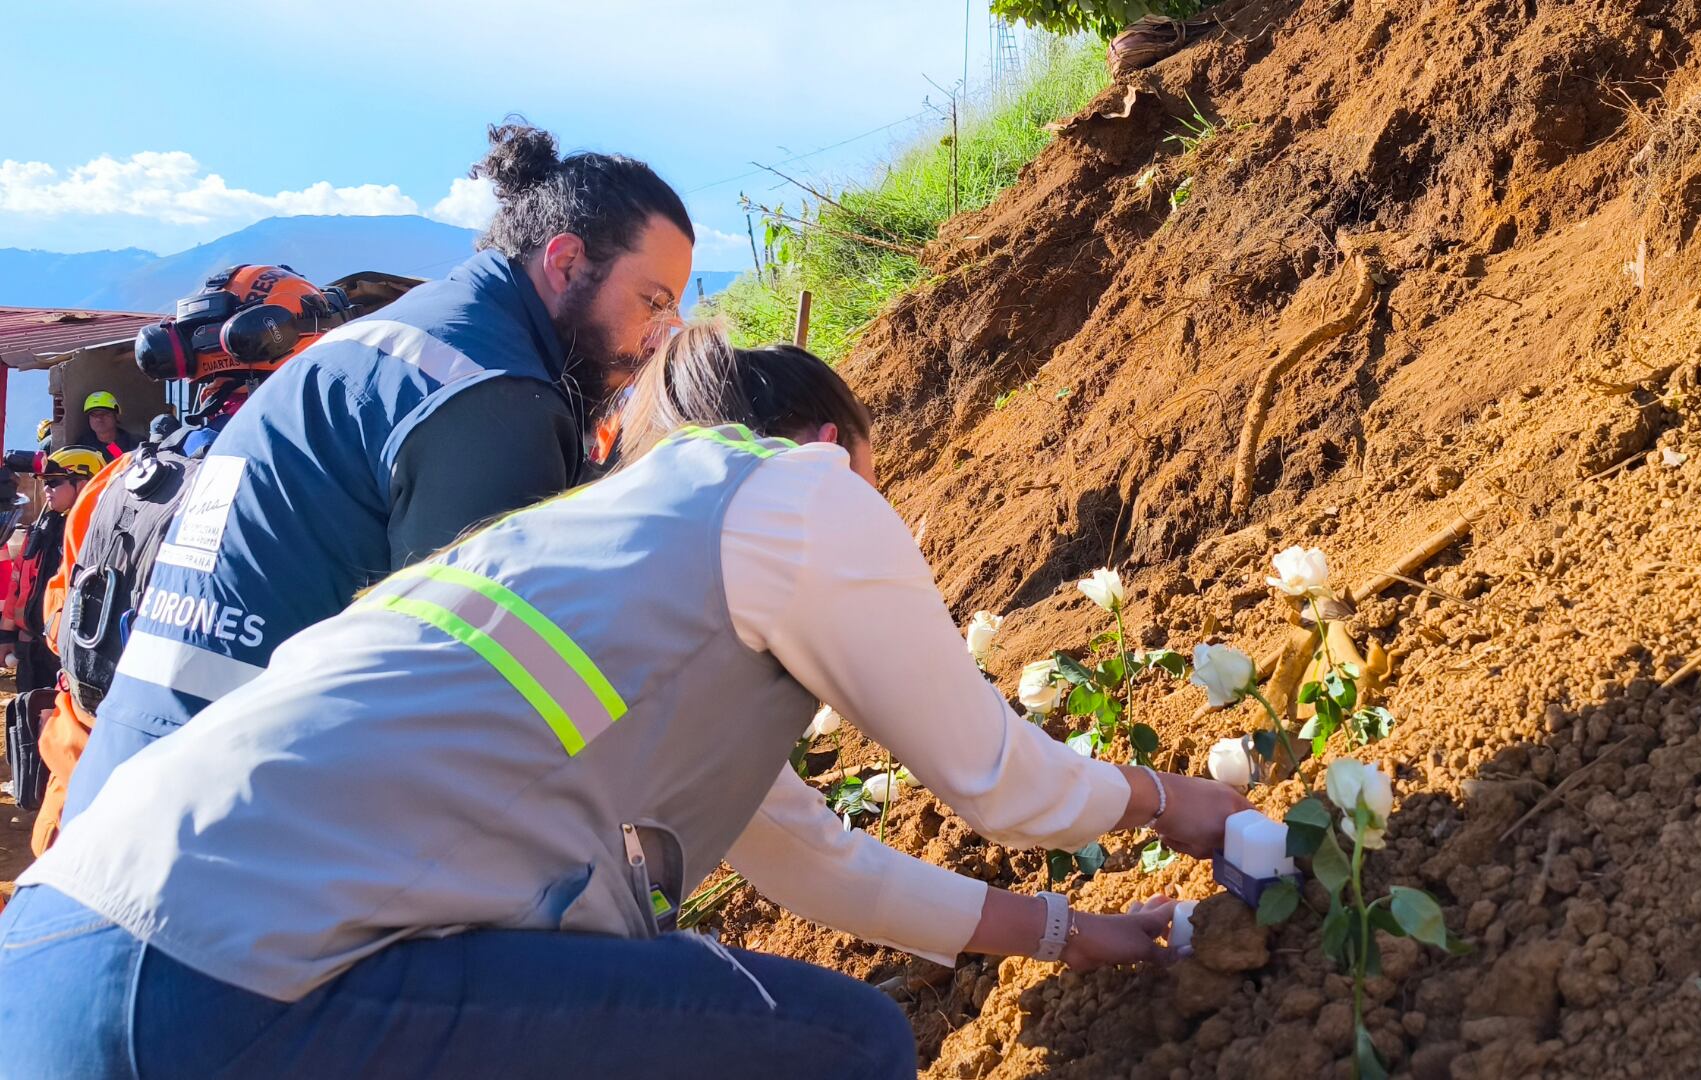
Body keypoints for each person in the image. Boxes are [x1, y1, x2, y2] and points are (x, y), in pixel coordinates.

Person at [0, 328, 1252, 1078]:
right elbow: (997, 781)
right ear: (827, 450)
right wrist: (1166, 799)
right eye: (879, 486)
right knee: (842, 1050)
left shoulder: (601, 564)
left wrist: (1061, 935)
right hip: (209, 981)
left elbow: (816, 866)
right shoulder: (801, 495)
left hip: (59, 955)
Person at [62, 120, 697, 820]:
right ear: (567, 262)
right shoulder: (493, 397)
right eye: (654, 301)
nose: (659, 338)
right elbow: (478, 702)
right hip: (235, 828)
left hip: (137, 786)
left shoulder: (399, 339)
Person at [31, 266, 346, 854]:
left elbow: (61, 624)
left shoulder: (120, 480)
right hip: (206, 829)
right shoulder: (312, 490)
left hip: (79, 801)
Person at [1, 448, 107, 694]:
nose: (46, 490)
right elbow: (18, 583)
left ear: (83, 484)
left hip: (70, 655)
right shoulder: (42, 528)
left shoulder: (95, 535)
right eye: (45, 483)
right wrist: (6, 635)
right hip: (31, 649)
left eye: (54, 482)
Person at [74, 393, 138, 459]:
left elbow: (123, 462)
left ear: (116, 415)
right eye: (94, 414)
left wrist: (112, 446)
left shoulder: (133, 444)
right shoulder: (83, 446)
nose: (99, 418)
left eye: (104, 413)